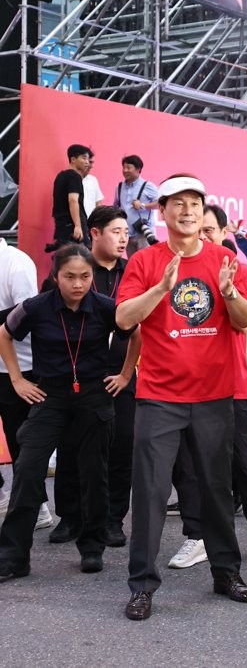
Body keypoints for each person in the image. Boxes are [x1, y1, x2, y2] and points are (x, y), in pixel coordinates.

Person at [116, 174, 247, 620]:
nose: (187, 210)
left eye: (195, 202)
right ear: (163, 212)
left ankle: (226, 572)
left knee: (216, 489)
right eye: (177, 203)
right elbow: (122, 319)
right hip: (158, 396)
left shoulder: (223, 258)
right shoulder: (144, 261)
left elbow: (244, 321)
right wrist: (160, 288)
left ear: (203, 211)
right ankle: (142, 586)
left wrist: (230, 292)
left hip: (214, 396)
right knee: (152, 492)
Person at [0, 245, 138, 580]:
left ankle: (91, 547)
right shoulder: (35, 307)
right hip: (50, 396)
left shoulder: (106, 307)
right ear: (56, 276)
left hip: (94, 396)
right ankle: (13, 557)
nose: (78, 284)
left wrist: (125, 374)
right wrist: (17, 379)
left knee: (94, 473)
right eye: (70, 277)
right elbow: (4, 333)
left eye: (85, 276)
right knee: (28, 469)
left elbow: (136, 333)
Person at [49, 207, 137, 547]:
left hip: (121, 378)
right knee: (71, 448)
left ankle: (113, 519)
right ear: (95, 233)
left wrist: (129, 373)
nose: (123, 237)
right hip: (79, 378)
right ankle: (69, 517)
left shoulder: (134, 273)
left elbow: (143, 325)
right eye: (115, 231)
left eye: (126, 231)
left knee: (121, 448)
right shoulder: (76, 270)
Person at [0, 238, 38, 521]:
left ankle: (37, 507)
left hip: (20, 367)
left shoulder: (16, 262)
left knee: (20, 438)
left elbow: (25, 316)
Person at [113, 155, 159, 256]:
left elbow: (160, 204)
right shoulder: (119, 187)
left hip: (143, 233)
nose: (125, 170)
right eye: (123, 167)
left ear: (138, 169)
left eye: (128, 167)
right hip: (126, 233)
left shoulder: (148, 186)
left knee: (146, 263)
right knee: (132, 263)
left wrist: (143, 205)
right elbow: (115, 206)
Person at [52, 144, 93, 248]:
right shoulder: (74, 176)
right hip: (71, 227)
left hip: (61, 226)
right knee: (80, 258)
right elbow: (73, 200)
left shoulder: (60, 176)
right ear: (73, 159)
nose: (87, 162)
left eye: (88, 159)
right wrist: (78, 226)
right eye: (84, 158)